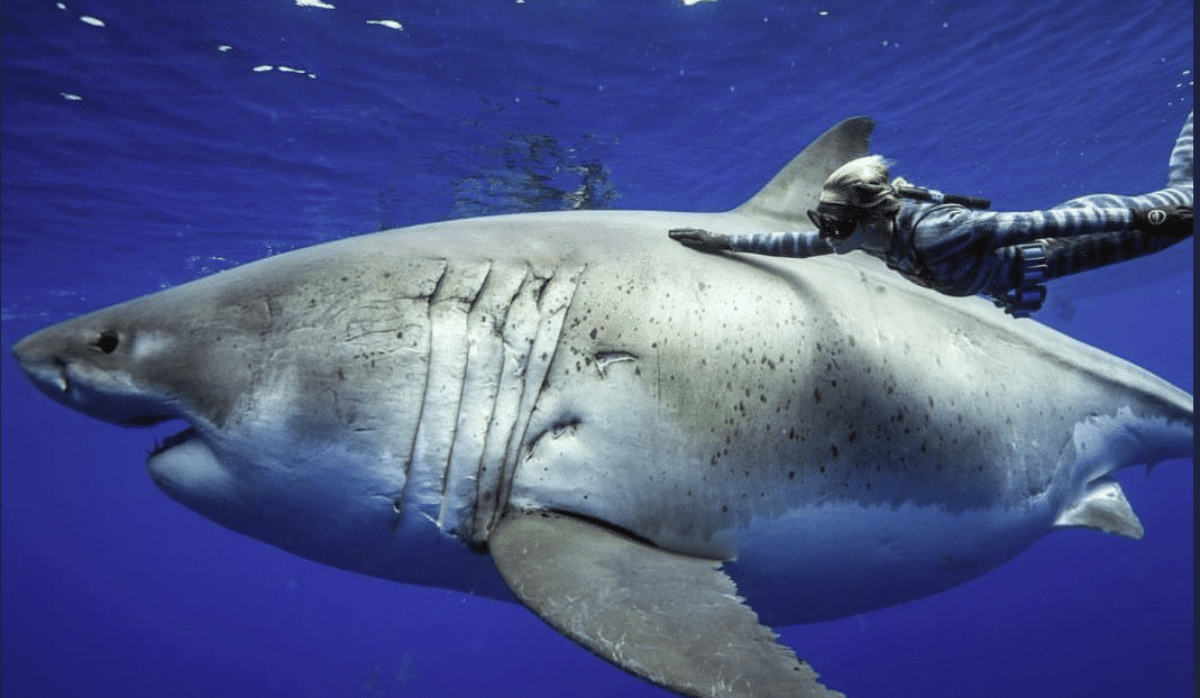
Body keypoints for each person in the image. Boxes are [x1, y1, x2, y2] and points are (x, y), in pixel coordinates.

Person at [670, 112, 1193, 317]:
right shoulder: (867, 236)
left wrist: (1141, 219)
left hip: (1078, 239)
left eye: (835, 224)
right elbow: (795, 245)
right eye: (823, 222)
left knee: (1183, 210)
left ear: (869, 216)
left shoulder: (939, 233)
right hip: (1035, 265)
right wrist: (724, 242)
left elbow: (1043, 223)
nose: (827, 234)